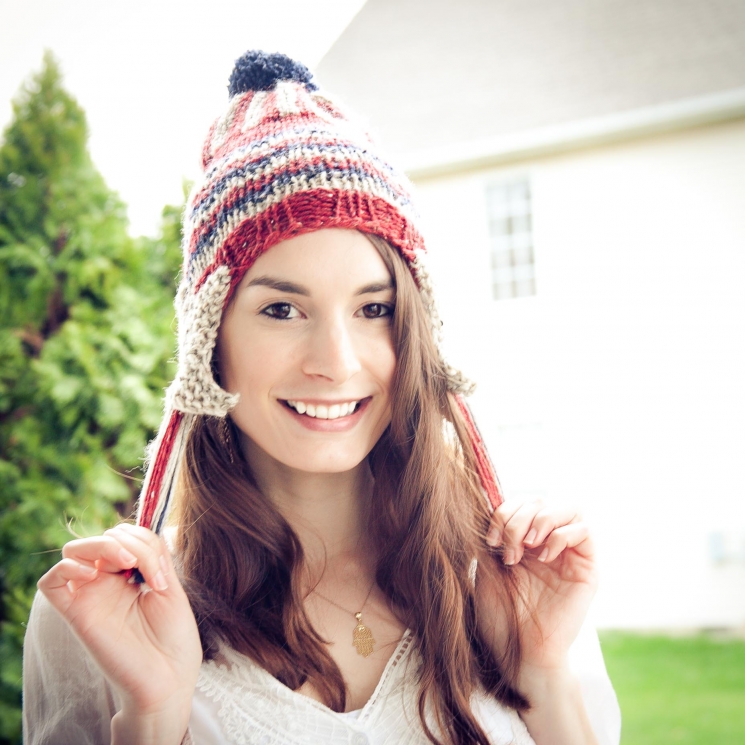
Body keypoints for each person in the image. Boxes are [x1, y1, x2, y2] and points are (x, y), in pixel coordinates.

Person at [23, 51, 621, 745]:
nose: (336, 364)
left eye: (373, 309)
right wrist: (154, 714)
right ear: (208, 338)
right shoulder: (107, 616)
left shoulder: (513, 586)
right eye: (281, 310)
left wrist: (541, 673)